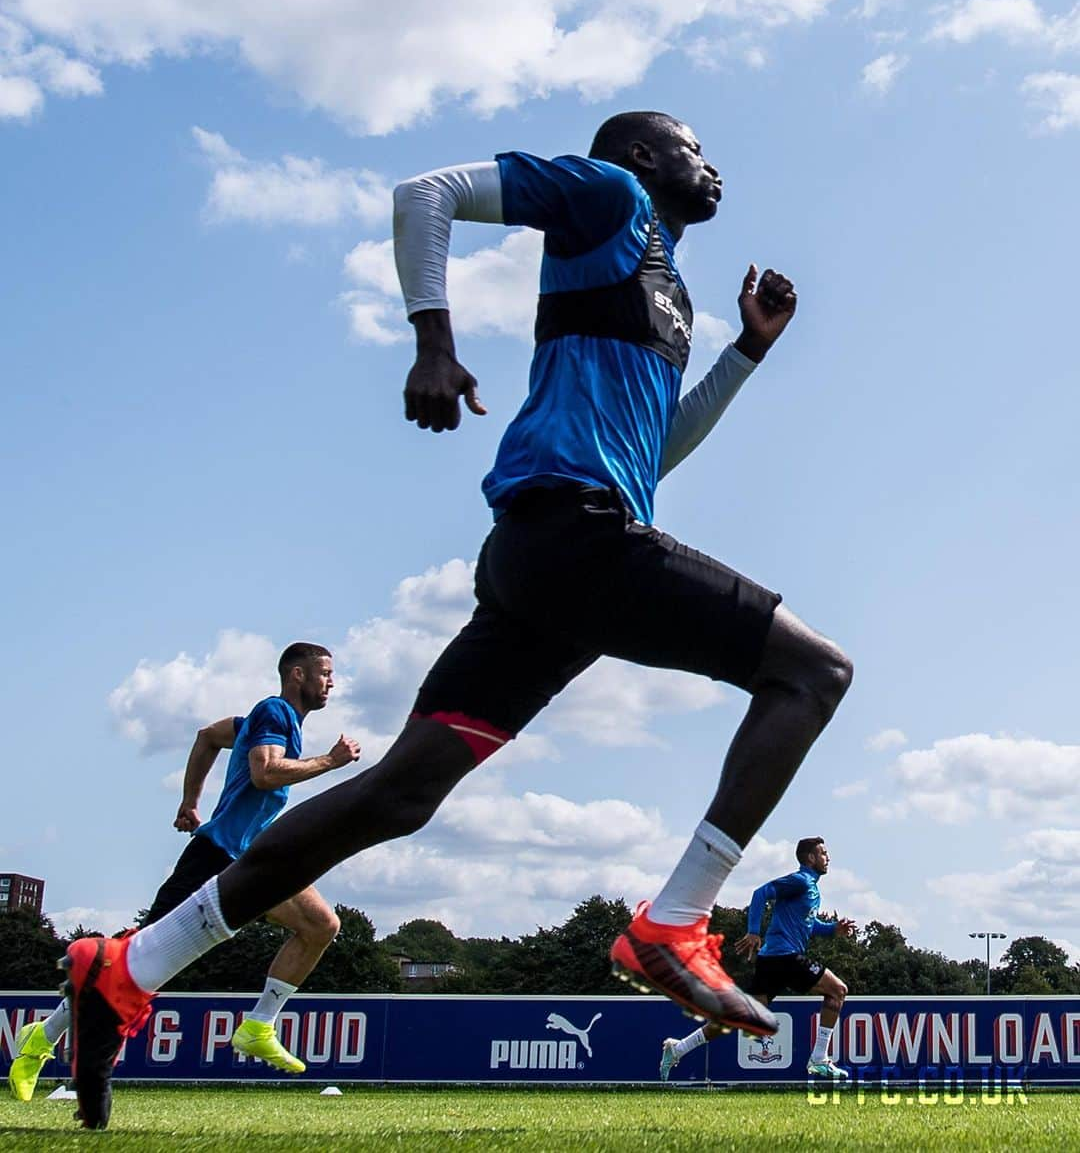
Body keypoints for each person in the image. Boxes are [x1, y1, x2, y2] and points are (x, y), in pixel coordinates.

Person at [61, 112, 852, 1129]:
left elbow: (652, 454)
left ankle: (128, 967)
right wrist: (434, 341)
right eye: (695, 148)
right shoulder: (607, 196)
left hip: (554, 562)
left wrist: (746, 351)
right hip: (574, 536)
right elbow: (423, 194)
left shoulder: (667, 292)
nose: (716, 165)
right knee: (812, 676)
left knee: (398, 793)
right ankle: (676, 922)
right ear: (646, 157)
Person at [12, 643, 359, 1111]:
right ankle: (42, 1036)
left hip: (254, 858)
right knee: (135, 963)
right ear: (297, 675)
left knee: (321, 925)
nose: (331, 682)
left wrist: (189, 802)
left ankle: (258, 1026)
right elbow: (265, 773)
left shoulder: (266, 722)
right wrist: (330, 762)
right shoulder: (274, 712)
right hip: (217, 857)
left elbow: (207, 736)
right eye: (325, 673)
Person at [659, 837, 854, 1081]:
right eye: (823, 853)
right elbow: (761, 893)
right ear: (811, 858)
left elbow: (808, 924)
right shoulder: (800, 881)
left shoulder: (810, 888)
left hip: (771, 960)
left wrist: (832, 929)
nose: (828, 858)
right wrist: (753, 930)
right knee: (837, 990)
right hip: (785, 957)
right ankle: (818, 1060)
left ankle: (677, 1049)